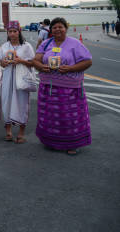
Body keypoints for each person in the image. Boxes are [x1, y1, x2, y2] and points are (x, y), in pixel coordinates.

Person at [32, 17, 92, 155]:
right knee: (51, 117)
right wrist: (41, 66)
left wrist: (70, 68)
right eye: (55, 27)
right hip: (48, 88)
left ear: (66, 28)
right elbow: (36, 60)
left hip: (70, 89)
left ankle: (73, 144)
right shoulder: (46, 43)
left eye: (60, 27)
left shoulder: (75, 44)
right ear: (51, 30)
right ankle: (52, 142)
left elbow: (88, 61)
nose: (57, 29)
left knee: (69, 117)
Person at [0, 21, 35, 144]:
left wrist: (20, 61)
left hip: (21, 79)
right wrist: (4, 63)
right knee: (6, 102)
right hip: (8, 77)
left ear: (19, 32)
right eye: (10, 31)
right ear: (7, 33)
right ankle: (8, 131)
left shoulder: (26, 46)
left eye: (15, 31)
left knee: (22, 103)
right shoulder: (4, 46)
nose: (13, 34)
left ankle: (21, 133)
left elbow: (32, 63)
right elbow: (1, 63)